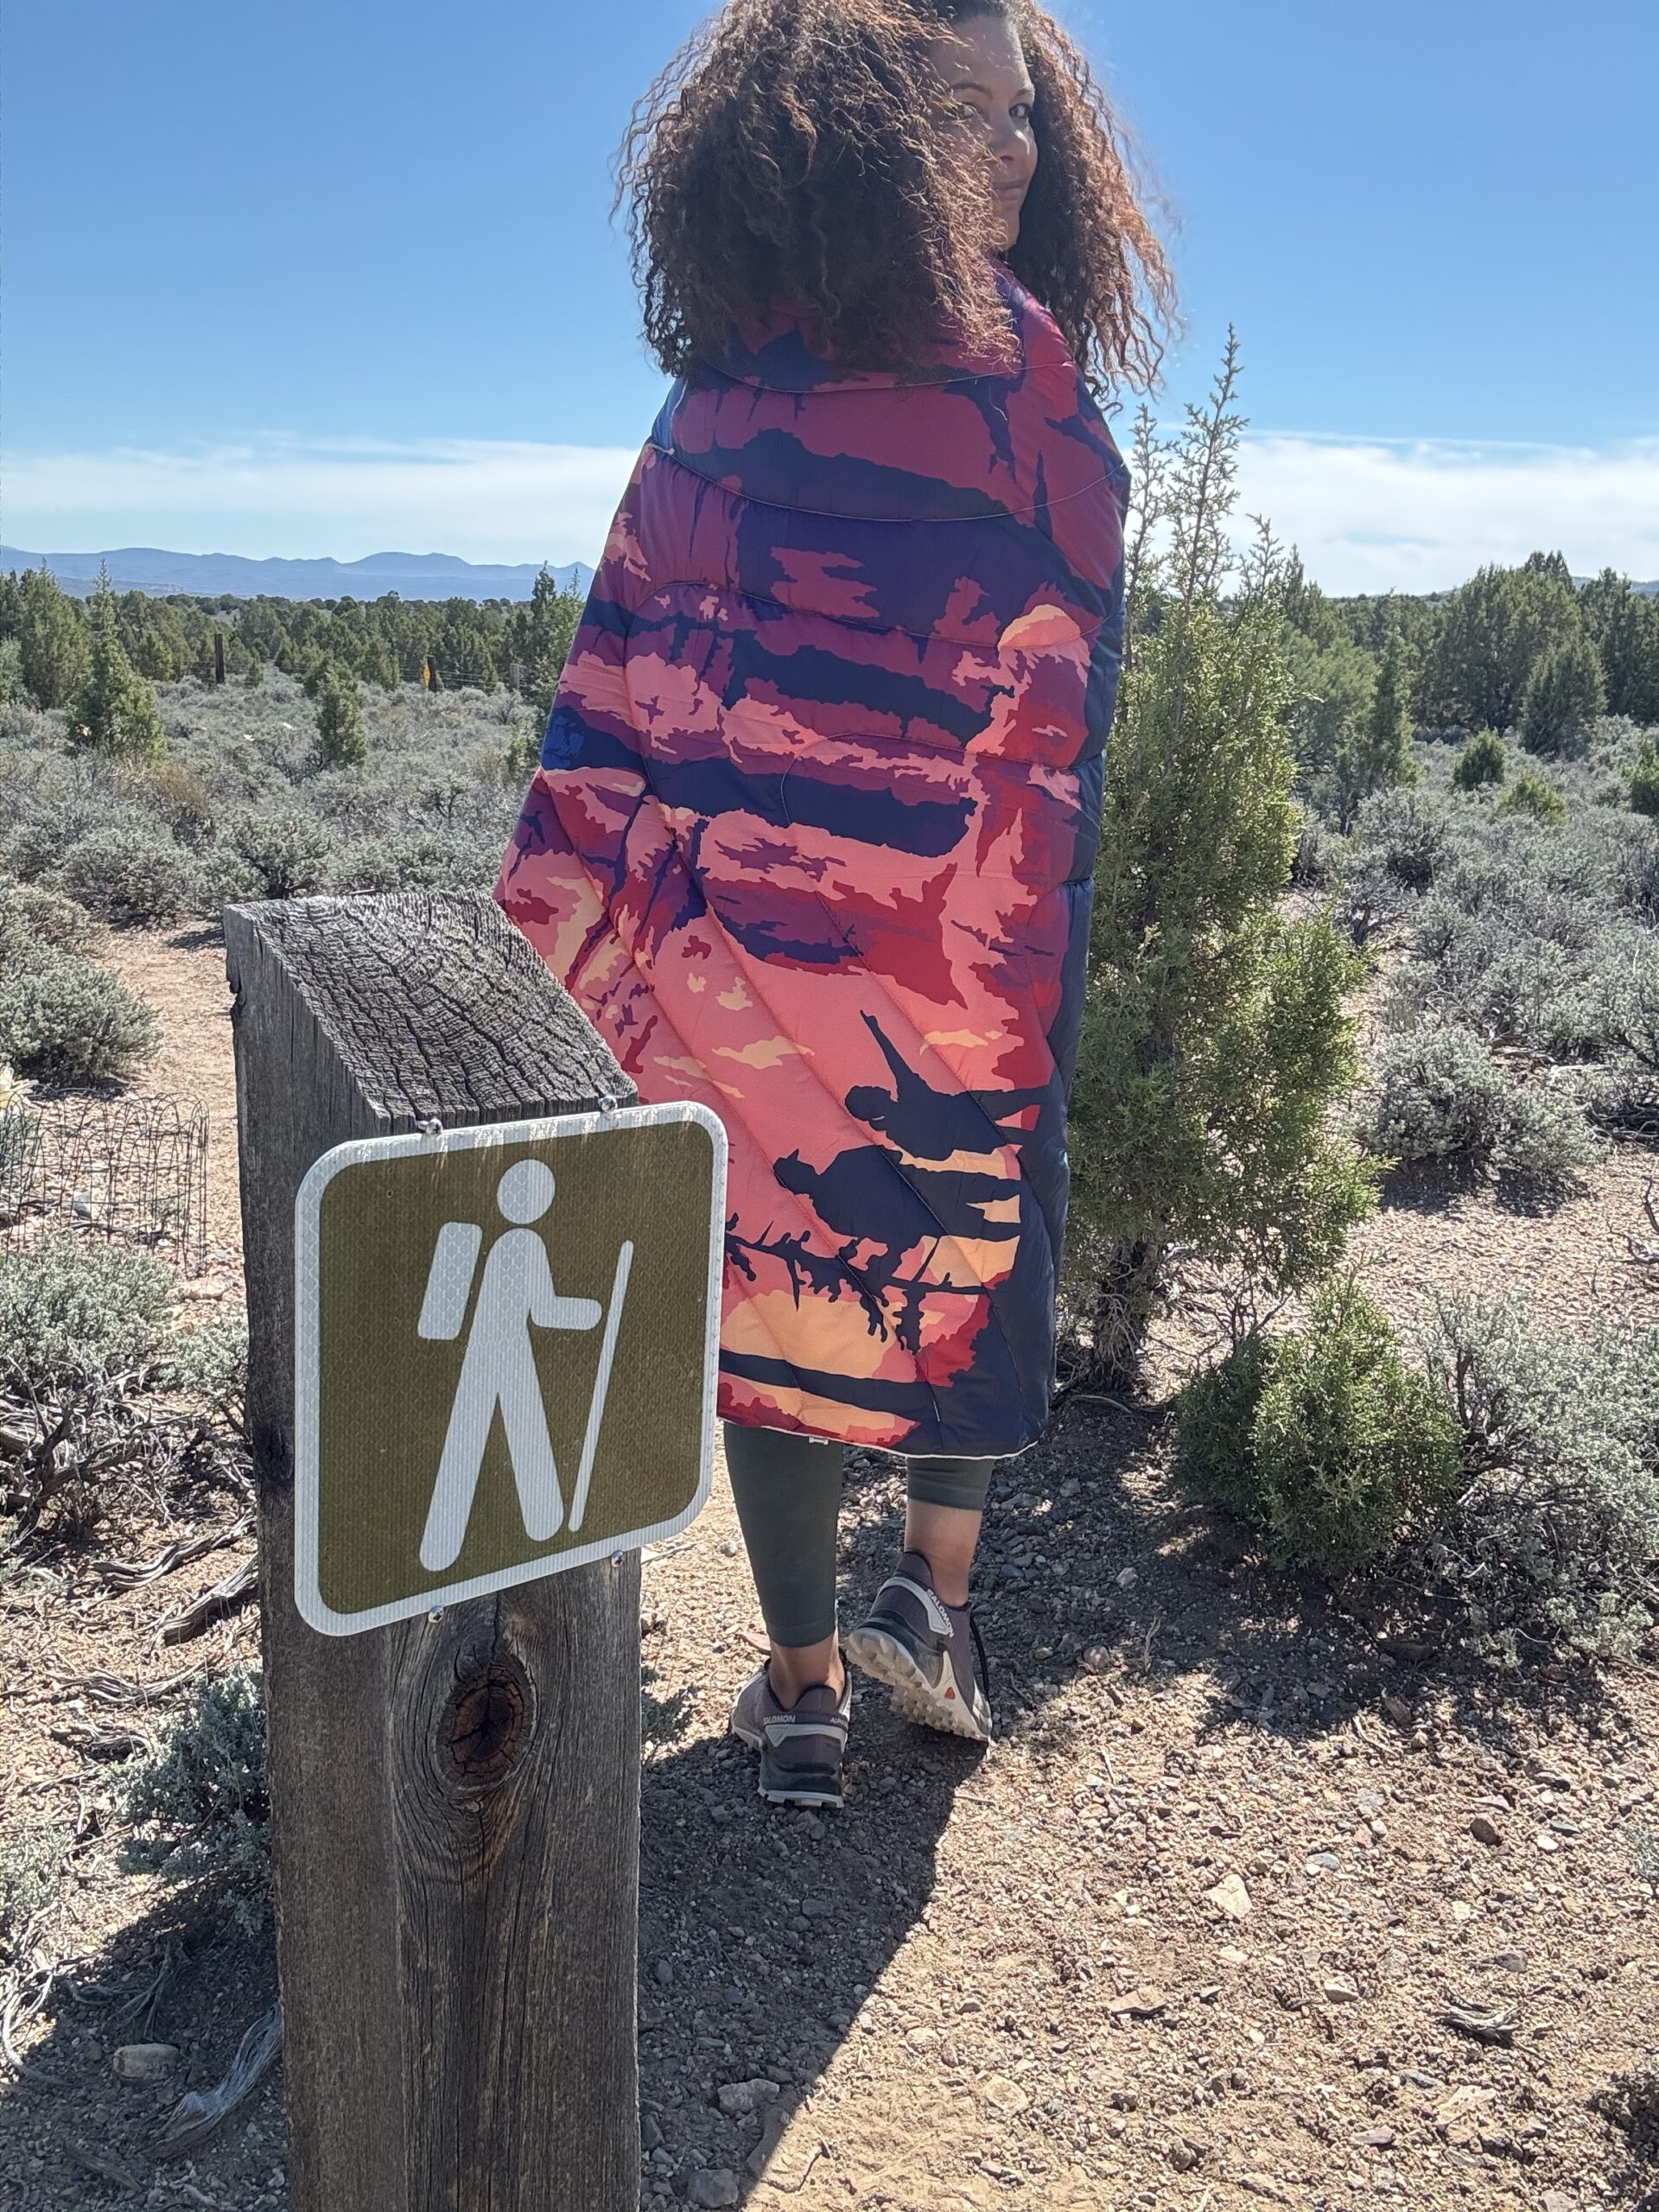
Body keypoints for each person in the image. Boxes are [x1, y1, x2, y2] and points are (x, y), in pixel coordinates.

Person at [496, 0, 1172, 1808]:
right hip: (964, 953)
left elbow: (615, 687)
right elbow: (1055, 707)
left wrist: (548, 940)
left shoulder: (721, 398)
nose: (1016, 152)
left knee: (775, 1291)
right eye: (968, 122)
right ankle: (924, 1609)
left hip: (765, 961)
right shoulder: (1038, 390)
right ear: (853, 148)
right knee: (952, 1234)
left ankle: (810, 1686)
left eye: (1024, 118)